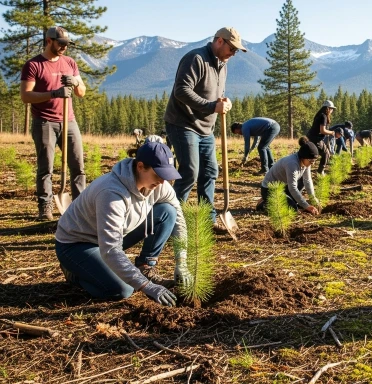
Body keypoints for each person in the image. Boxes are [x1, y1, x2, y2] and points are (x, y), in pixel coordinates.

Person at [55, 142, 191, 306]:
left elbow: (178, 220)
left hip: (113, 236)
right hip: (78, 244)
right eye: (158, 175)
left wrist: (181, 262)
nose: (162, 181)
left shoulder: (159, 186)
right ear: (140, 166)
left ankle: (144, 266)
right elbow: (111, 249)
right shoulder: (111, 193)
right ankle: (76, 273)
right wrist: (147, 286)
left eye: (166, 175)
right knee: (123, 290)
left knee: (168, 211)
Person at [164, 27, 246, 225]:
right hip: (183, 123)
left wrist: (223, 102)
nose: (233, 54)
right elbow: (181, 91)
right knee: (189, 172)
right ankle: (172, 218)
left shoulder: (222, 64)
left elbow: (216, 92)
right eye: (232, 48)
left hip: (206, 128)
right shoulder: (196, 58)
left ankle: (207, 219)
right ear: (219, 41)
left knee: (209, 172)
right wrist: (212, 106)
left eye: (236, 50)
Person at [20, 26, 87, 221]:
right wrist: (54, 94)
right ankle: (45, 207)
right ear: (49, 41)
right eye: (61, 44)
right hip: (44, 122)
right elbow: (26, 96)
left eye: (67, 44)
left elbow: (81, 92)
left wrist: (75, 82)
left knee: (78, 166)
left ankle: (80, 206)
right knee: (45, 167)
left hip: (69, 121)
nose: (64, 47)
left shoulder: (70, 63)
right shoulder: (34, 65)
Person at [257, 137, 320, 215]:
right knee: (292, 209)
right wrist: (306, 205)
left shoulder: (306, 161)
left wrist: (313, 198)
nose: (312, 163)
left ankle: (288, 199)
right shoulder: (292, 164)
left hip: (284, 186)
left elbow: (307, 180)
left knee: (301, 183)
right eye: (311, 161)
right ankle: (264, 203)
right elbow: (292, 187)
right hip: (270, 189)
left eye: (314, 161)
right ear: (303, 157)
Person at [306, 100, 337, 175]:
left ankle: (306, 171)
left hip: (311, 137)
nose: (332, 110)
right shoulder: (324, 116)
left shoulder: (319, 115)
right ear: (328, 108)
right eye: (331, 109)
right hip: (315, 139)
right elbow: (322, 130)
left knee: (312, 155)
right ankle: (320, 172)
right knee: (325, 153)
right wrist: (331, 132)